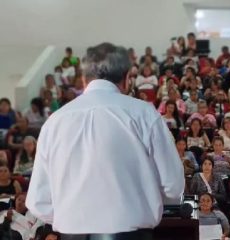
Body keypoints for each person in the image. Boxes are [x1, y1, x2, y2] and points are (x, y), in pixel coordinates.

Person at [26, 43, 184, 239]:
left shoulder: (55, 121)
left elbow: (37, 201)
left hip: (70, 233)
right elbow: (173, 185)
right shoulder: (144, 114)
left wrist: (74, 221)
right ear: (127, 79)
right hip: (132, 233)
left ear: (84, 79)